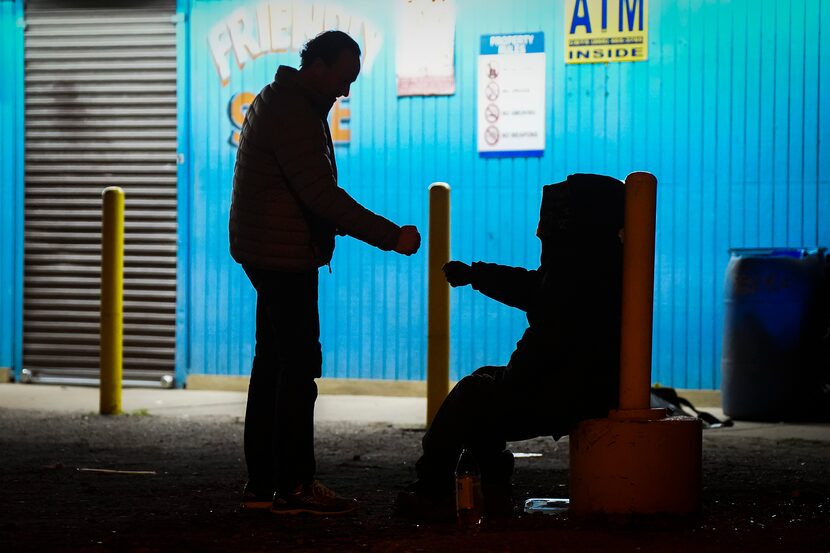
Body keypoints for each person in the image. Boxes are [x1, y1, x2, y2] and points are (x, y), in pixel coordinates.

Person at [229, 30, 421, 516]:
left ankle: (263, 485)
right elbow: (321, 196)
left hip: (268, 251)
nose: (347, 90)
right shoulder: (293, 111)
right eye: (344, 78)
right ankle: (293, 486)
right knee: (299, 367)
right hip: (283, 256)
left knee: (272, 362)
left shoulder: (286, 101)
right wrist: (390, 235)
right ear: (318, 66)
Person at [395, 173, 625, 521]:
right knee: (485, 383)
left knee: (473, 394)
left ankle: (432, 490)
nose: (541, 237)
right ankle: (493, 489)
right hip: (575, 386)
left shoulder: (578, 274)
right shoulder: (597, 265)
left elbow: (537, 296)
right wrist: (476, 275)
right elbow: (535, 286)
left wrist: (477, 276)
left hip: (558, 391)